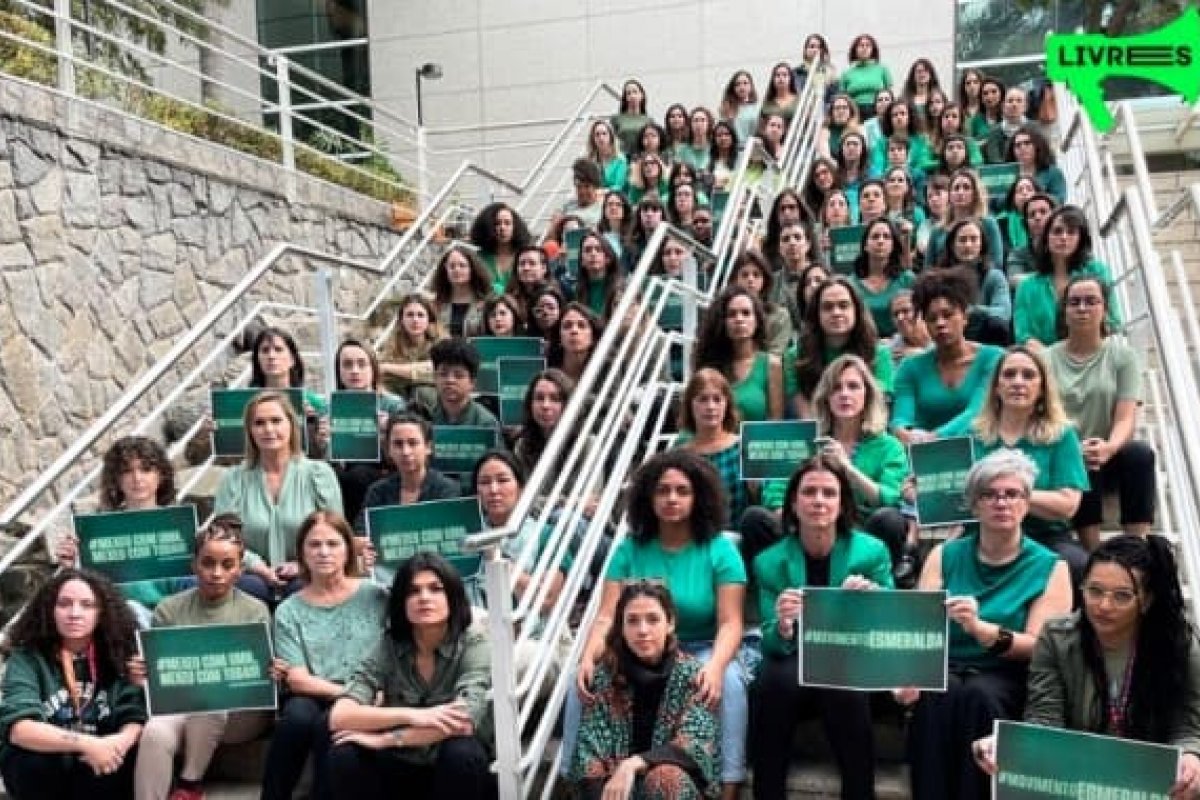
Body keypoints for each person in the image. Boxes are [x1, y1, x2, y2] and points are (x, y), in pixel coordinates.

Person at [569, 450, 749, 800]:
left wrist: (714, 666)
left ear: (699, 497)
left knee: (728, 682)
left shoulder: (720, 550)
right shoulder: (629, 549)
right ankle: (571, 778)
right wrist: (589, 655)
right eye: (662, 490)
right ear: (648, 497)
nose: (672, 498)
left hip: (701, 645)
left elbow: (731, 623)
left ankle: (729, 784)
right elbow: (607, 616)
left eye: (683, 491)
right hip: (638, 644)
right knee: (581, 679)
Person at [900, 449, 1072, 800]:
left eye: (1012, 494)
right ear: (974, 505)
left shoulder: (1052, 567)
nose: (1001, 502)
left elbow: (1040, 647)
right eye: (989, 495)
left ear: (1026, 503)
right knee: (937, 694)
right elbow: (922, 629)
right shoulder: (944, 555)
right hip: (947, 666)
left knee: (980, 696)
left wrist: (983, 631)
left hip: (1006, 672)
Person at [971, 535, 1200, 798]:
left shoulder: (1179, 644)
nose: (1104, 606)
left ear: (1146, 600)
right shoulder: (1057, 638)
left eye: (1122, 596)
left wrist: (1190, 757)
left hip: (1148, 780)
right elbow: (1045, 718)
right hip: (1081, 777)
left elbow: (1188, 724)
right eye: (1095, 591)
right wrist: (1009, 745)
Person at [750, 454, 893, 800]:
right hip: (797, 657)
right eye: (809, 492)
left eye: (829, 493)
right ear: (793, 503)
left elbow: (891, 619)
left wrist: (873, 599)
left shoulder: (871, 551)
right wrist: (784, 625)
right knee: (772, 680)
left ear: (842, 504)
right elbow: (769, 639)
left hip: (856, 657)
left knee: (840, 679)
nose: (818, 501)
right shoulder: (769, 562)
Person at [326, 553, 495, 800]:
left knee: (461, 751)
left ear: (453, 596)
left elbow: (463, 721)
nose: (424, 597)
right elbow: (339, 716)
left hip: (453, 766)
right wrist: (413, 715)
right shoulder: (390, 644)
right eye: (413, 591)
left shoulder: (474, 641)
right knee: (344, 752)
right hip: (403, 764)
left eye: (435, 589)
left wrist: (389, 739)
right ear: (401, 602)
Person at [131, 515, 272, 800]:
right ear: (194, 564)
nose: (216, 573)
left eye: (227, 565)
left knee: (211, 701)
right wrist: (144, 676)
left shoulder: (255, 611)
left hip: (240, 715)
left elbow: (256, 677)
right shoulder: (168, 610)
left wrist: (272, 672)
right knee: (155, 731)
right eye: (208, 563)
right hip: (182, 706)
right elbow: (162, 680)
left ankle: (189, 785)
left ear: (240, 570)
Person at [262, 511, 389, 800]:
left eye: (333, 544)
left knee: (328, 723)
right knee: (296, 718)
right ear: (302, 553)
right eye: (314, 544)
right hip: (317, 692)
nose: (323, 552)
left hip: (372, 693)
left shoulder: (377, 596)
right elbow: (298, 680)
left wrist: (363, 695)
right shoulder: (289, 610)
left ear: (348, 550)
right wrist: (349, 693)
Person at [943, 345, 1090, 582]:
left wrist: (1005, 493)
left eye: (1028, 375)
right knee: (944, 559)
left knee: (1076, 564)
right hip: (982, 536)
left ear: (1042, 389)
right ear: (996, 387)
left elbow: (1068, 505)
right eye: (1009, 374)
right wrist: (920, 491)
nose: (1018, 382)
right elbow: (951, 492)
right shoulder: (971, 433)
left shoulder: (1062, 435)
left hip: (1044, 536)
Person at [0, 569, 145, 800]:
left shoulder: (120, 654)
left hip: (102, 761)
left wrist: (118, 743)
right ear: (50, 610)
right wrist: (87, 744)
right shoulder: (27, 658)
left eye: (87, 605)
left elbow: (135, 716)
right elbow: (20, 729)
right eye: (64, 604)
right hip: (48, 763)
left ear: (101, 612)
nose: (75, 613)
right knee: (32, 761)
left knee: (120, 759)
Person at [570, 581, 721, 800]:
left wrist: (633, 764)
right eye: (632, 621)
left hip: (676, 792)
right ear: (621, 628)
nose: (642, 630)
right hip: (617, 793)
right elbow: (588, 755)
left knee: (666, 777)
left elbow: (695, 745)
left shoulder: (693, 676)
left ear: (670, 623)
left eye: (653, 619)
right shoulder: (606, 677)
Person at [1048, 276, 1154, 550]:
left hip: (1109, 453)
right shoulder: (1047, 359)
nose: (1082, 308)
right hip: (1064, 457)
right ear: (1065, 311)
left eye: (1091, 301)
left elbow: (1126, 417)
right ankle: (1093, 551)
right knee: (1083, 457)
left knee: (1140, 453)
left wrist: (1110, 447)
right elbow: (1043, 417)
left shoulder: (1123, 357)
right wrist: (1073, 448)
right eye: (1074, 302)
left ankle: (1136, 548)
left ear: (1104, 309)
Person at [214, 390, 343, 603]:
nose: (268, 429)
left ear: (292, 425)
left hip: (308, 571)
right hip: (250, 574)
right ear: (250, 431)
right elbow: (224, 537)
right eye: (259, 423)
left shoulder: (319, 474)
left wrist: (304, 564)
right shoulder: (233, 479)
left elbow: (336, 534)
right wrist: (256, 566)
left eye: (276, 421)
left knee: (304, 587)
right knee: (249, 588)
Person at [55, 436, 184, 627]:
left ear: (161, 475)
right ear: (116, 479)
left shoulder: (180, 525)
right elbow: (90, 587)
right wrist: (72, 565)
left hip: (170, 619)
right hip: (115, 618)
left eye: (146, 469)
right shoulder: (98, 530)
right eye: (127, 471)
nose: (137, 478)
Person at [891, 267, 1005, 444]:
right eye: (932, 318)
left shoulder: (994, 359)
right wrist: (901, 431)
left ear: (965, 317)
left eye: (948, 315)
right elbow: (901, 418)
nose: (940, 323)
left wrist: (935, 438)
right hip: (922, 454)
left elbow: (977, 411)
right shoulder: (910, 367)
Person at [323, 339, 408, 525]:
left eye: (362, 364)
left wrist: (387, 433)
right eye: (347, 365)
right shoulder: (330, 408)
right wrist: (324, 441)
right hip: (343, 471)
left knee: (358, 475)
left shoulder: (393, 405)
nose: (355, 371)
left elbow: (404, 455)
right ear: (339, 371)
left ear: (373, 369)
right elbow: (328, 459)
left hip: (382, 470)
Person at [1014, 204, 1120, 350]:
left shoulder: (1098, 271)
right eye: (1057, 231)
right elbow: (1023, 336)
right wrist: (1054, 359)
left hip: (1092, 353)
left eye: (1071, 232)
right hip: (1044, 358)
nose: (1064, 237)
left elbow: (1112, 321)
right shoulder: (1027, 287)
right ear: (1046, 238)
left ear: (1080, 239)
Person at [785, 276, 892, 419]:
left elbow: (878, 406)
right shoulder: (795, 356)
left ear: (857, 310)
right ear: (816, 314)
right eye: (827, 307)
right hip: (816, 427)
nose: (836, 312)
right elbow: (805, 415)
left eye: (843, 305)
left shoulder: (879, 353)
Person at [354, 412, 461, 535]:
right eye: (398, 444)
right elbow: (361, 530)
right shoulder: (377, 491)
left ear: (428, 447)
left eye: (413, 443)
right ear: (389, 449)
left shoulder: (447, 490)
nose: (405, 451)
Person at [675, 368, 755, 530]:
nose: (711, 406)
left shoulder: (745, 447)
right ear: (690, 405)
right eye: (703, 399)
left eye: (717, 399)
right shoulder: (679, 457)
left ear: (727, 404)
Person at [691, 286, 784, 423]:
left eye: (746, 313)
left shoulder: (772, 364)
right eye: (731, 314)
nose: (739, 319)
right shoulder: (708, 364)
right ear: (722, 322)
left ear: (757, 321)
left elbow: (775, 423)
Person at [935, 217, 1012, 345]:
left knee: (997, 324)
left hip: (984, 339)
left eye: (974, 239)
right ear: (952, 245)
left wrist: (971, 311)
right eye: (962, 240)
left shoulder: (994, 276)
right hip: (947, 337)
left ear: (982, 245)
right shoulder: (939, 279)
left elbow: (1003, 312)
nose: (968, 245)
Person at [850, 217, 915, 338]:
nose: (880, 241)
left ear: (893, 245)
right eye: (875, 236)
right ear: (865, 245)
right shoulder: (851, 284)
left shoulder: (908, 279)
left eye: (886, 237)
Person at [925, 168, 1005, 268]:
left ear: (976, 193)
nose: (960, 192)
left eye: (966, 187)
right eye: (956, 188)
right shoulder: (937, 230)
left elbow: (996, 262)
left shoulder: (988, 223)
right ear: (950, 194)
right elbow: (928, 267)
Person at [381, 293, 443, 410]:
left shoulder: (441, 343)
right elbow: (382, 378)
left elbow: (435, 370)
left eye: (420, 315)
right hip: (401, 401)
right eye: (410, 315)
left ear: (429, 319)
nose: (415, 320)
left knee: (422, 392)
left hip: (433, 402)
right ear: (402, 320)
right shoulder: (393, 346)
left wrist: (388, 368)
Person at [428, 338, 501, 431]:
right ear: (435, 378)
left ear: (472, 382)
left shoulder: (485, 423)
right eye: (443, 374)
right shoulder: (426, 417)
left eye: (458, 375)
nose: (450, 380)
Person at [730, 250, 793, 355]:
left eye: (756, 275)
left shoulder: (779, 316)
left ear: (764, 280)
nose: (750, 279)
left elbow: (775, 355)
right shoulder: (724, 313)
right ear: (735, 280)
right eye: (744, 275)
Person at [469, 202, 533, 294]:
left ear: (515, 227)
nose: (502, 227)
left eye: (507, 223)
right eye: (497, 223)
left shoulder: (525, 256)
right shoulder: (478, 258)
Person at [430, 247, 490, 339]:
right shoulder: (435, 305)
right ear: (445, 270)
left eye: (462, 265)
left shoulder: (488, 303)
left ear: (472, 268)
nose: (457, 270)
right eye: (452, 266)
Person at [1004, 190, 1057, 284]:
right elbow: (1014, 280)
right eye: (1032, 214)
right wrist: (1056, 275)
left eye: (1043, 212)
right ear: (1026, 223)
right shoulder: (1017, 254)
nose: (1037, 217)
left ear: (1056, 217)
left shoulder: (1068, 246)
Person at [1008, 125, 1066, 204]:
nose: (1022, 147)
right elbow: (997, 202)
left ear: (1037, 146)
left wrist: (1034, 199)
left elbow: (1059, 199)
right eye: (1018, 145)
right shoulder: (1007, 174)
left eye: (1027, 143)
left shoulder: (1053, 173)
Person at [548, 302, 604, 383]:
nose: (574, 330)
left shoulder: (608, 373)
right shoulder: (546, 372)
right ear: (559, 337)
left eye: (581, 326)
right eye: (567, 326)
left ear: (593, 337)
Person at [842, 34, 892, 120]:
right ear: (855, 49)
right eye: (861, 45)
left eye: (868, 45)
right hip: (855, 114)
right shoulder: (847, 73)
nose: (864, 48)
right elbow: (843, 98)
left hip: (879, 112)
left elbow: (889, 94)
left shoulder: (882, 69)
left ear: (873, 49)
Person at [575, 230, 623, 321]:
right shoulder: (576, 291)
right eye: (587, 250)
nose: (593, 254)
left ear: (608, 258)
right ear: (582, 261)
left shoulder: (622, 288)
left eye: (598, 249)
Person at [983, 86, 1033, 164]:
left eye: (1019, 101)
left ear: (1025, 106)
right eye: (1010, 101)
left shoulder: (1034, 128)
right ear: (1003, 106)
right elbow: (994, 160)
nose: (1014, 104)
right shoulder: (994, 132)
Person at [887, 289, 931, 365]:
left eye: (906, 311)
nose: (900, 318)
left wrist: (921, 356)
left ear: (921, 312)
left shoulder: (938, 337)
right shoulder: (892, 347)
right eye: (896, 314)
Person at [719, 69, 761, 147]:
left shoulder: (758, 108)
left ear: (751, 86)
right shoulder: (726, 108)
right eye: (738, 84)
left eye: (745, 83)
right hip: (733, 150)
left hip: (753, 149)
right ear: (733, 88)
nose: (742, 87)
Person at [612, 79, 652, 161]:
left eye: (635, 92)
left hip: (642, 159)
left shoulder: (649, 120)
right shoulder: (616, 119)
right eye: (628, 93)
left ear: (641, 95)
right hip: (621, 159)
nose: (632, 96)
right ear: (625, 98)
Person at [586, 119, 629, 193]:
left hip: (615, 197)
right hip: (594, 197)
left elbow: (618, 186)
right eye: (597, 134)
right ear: (593, 139)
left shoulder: (620, 159)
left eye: (604, 133)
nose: (601, 138)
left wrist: (601, 192)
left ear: (611, 137)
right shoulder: (590, 160)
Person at [560, 158, 605, 228]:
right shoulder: (568, 205)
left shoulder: (601, 211)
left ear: (595, 186)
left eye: (587, 186)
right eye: (579, 186)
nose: (582, 191)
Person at [794, 33, 839, 103]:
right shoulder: (796, 73)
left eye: (819, 47)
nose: (815, 50)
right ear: (805, 50)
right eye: (812, 47)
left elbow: (834, 97)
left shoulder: (831, 74)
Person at [760, 62, 800, 131]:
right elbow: (761, 128)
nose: (781, 78)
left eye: (785, 75)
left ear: (791, 79)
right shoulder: (767, 103)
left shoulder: (800, 101)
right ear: (773, 79)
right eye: (777, 75)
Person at [957, 68, 989, 139]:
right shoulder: (959, 111)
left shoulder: (988, 109)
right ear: (963, 87)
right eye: (968, 83)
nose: (972, 86)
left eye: (976, 82)